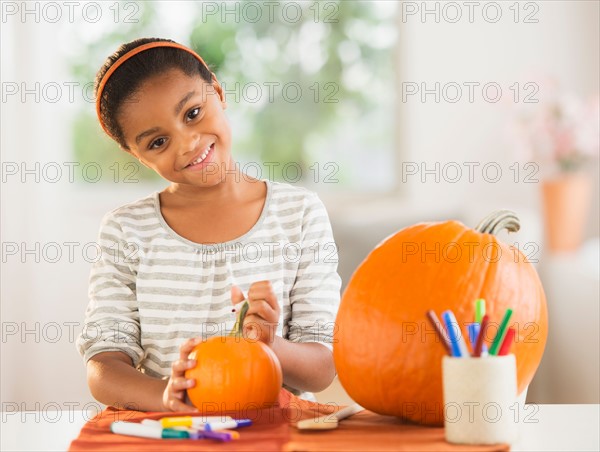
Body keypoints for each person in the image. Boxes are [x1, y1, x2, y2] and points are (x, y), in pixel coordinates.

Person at [76, 37, 342, 412]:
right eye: (158, 142)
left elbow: (322, 369)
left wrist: (271, 344)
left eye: (192, 113)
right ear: (134, 153)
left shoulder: (299, 214)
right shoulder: (125, 231)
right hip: (168, 433)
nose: (187, 144)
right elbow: (103, 366)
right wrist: (164, 395)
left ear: (216, 91)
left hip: (277, 434)